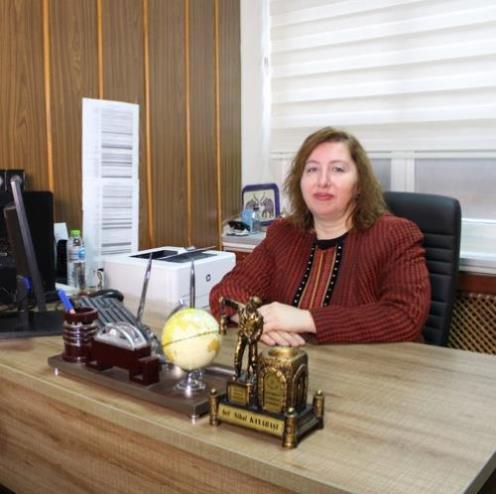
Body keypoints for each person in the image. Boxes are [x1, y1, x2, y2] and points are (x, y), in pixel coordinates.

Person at [210, 127, 430, 347]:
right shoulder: (283, 234)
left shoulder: (395, 235)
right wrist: (255, 322)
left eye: (337, 169)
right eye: (312, 169)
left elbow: (405, 316)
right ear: (300, 181)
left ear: (359, 184)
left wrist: (305, 319)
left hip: (370, 366)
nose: (322, 181)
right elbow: (226, 292)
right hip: (289, 361)